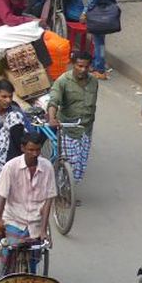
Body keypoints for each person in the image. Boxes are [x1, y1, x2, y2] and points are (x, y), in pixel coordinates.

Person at [0, 131, 55, 272]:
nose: (35, 154)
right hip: (13, 219)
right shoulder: (11, 167)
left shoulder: (47, 167)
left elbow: (49, 200)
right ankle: (1, 278)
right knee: (7, 257)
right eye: (31, 150)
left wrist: (43, 230)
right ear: (23, 148)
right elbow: (1, 199)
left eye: (37, 150)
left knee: (34, 261)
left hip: (36, 220)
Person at [46, 51, 99, 186]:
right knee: (68, 163)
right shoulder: (63, 81)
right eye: (80, 66)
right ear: (73, 64)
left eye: (86, 67)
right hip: (68, 129)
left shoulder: (93, 81)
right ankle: (61, 191)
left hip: (86, 129)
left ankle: (70, 190)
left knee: (81, 162)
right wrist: (52, 118)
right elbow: (53, 101)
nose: (83, 70)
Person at [0, 78, 32, 164]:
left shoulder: (16, 111)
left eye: (10, 96)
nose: (8, 100)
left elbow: (29, 131)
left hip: (13, 148)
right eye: (4, 97)